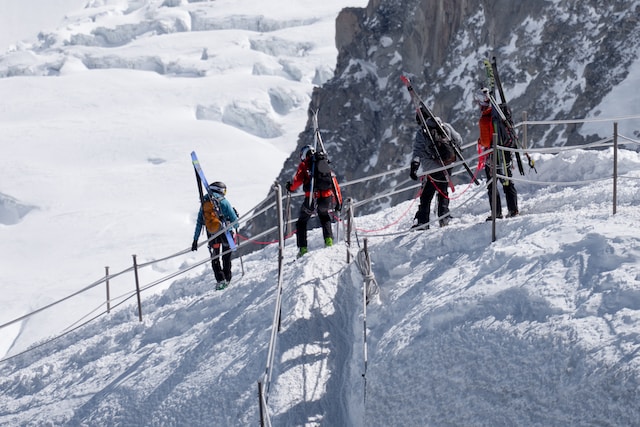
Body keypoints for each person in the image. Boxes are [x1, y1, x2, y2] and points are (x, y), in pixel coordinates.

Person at [409, 107, 462, 229]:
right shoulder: (445, 126)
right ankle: (444, 217)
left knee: (426, 195)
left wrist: (414, 168)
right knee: (443, 191)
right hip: (447, 165)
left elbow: (418, 152)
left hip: (431, 169)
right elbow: (459, 140)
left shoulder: (422, 132)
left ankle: (423, 222)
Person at [286, 145, 341, 258]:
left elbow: (297, 181)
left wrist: (290, 188)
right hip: (326, 198)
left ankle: (303, 249)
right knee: (325, 217)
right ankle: (329, 242)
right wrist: (338, 201)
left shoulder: (305, 164)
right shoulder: (324, 163)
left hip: (311, 198)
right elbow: (334, 182)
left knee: (301, 222)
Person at [477, 89, 519, 220]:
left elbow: (485, 141)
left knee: (492, 184)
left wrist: (480, 141)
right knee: (507, 181)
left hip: (492, 154)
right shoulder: (501, 115)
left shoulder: (484, 119)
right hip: (505, 151)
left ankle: (497, 213)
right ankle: (513, 210)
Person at [191, 181, 239, 290]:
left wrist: (195, 240)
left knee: (215, 258)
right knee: (226, 256)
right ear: (220, 190)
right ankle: (227, 278)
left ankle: (220, 280)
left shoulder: (205, 204)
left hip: (212, 236)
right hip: (226, 234)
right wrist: (236, 222)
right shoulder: (224, 201)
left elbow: (199, 223)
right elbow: (234, 221)